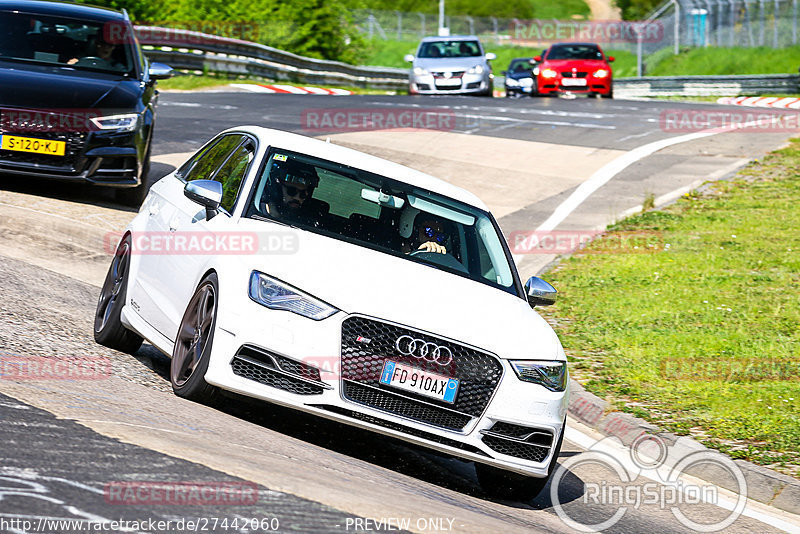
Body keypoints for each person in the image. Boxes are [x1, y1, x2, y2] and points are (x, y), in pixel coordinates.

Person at [263, 159, 324, 225]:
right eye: (291, 191)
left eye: (303, 194)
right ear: (276, 190)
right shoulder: (259, 211)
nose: (297, 198)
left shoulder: (310, 223)